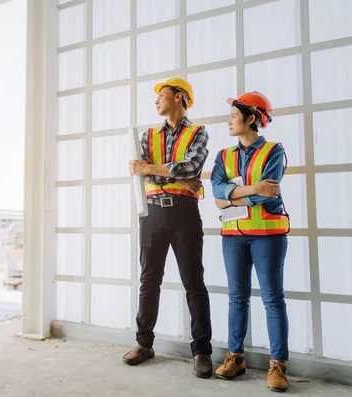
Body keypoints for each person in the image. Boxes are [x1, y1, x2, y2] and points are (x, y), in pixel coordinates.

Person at [126, 77, 213, 379]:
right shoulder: (148, 135)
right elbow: (141, 175)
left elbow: (192, 167)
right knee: (149, 280)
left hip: (185, 214)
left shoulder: (198, 132)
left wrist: (152, 169)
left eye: (162, 95)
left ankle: (201, 352)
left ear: (179, 97)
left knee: (194, 282)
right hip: (152, 215)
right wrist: (171, 176)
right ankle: (144, 344)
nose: (156, 101)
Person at [210, 92, 290, 393]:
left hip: (268, 235)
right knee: (236, 297)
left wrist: (235, 194)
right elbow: (216, 191)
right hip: (233, 236)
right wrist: (250, 188)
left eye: (233, 115)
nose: (228, 120)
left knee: (272, 299)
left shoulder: (274, 151)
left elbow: (266, 193)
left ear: (251, 118)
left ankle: (278, 365)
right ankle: (236, 357)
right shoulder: (223, 155)